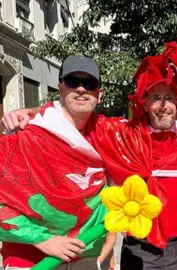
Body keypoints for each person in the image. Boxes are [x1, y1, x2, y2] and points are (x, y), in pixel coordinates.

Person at [1, 39, 177, 270]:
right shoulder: (120, 134)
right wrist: (32, 113)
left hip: (170, 249)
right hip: (45, 256)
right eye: (156, 97)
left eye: (170, 98)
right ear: (144, 103)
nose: (163, 105)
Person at [0, 55, 108, 269]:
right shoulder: (24, 135)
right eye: (72, 81)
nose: (80, 89)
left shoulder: (109, 137)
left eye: (89, 84)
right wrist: (43, 240)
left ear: (99, 94)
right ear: (60, 88)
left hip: (84, 256)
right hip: (31, 258)